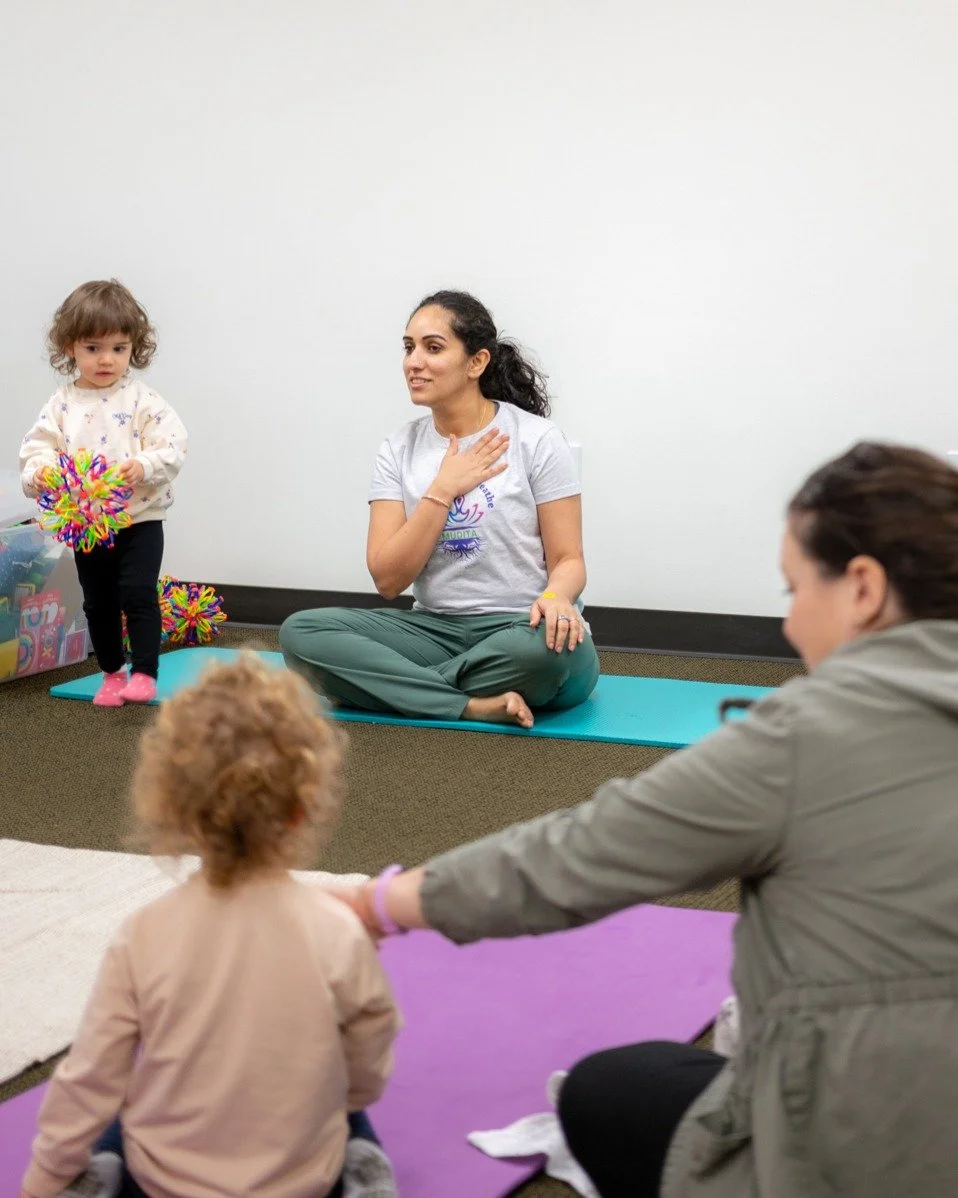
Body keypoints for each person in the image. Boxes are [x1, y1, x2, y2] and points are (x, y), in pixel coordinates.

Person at [331, 442, 958, 1198]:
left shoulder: (807, 739)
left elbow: (580, 855)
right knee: (658, 1073)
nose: (791, 625)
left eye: (796, 591)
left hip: (875, 1146)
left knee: (608, 1093)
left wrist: (378, 903)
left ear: (862, 587)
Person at [20, 655, 400, 1198]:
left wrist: (42, 1183)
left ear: (172, 807)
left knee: (119, 1108)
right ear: (303, 808)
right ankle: (361, 1170)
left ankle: (97, 1184)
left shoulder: (143, 935)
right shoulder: (337, 930)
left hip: (165, 1182)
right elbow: (370, 1050)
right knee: (351, 1113)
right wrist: (350, 1098)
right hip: (298, 1182)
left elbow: (89, 1080)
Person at [280, 290, 599, 728]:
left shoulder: (537, 439)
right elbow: (388, 580)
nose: (414, 361)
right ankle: (471, 705)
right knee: (301, 634)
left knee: (557, 650)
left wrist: (556, 596)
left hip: (520, 627)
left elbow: (569, 560)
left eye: (433, 348)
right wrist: (441, 491)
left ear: (476, 363)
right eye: (409, 348)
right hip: (434, 630)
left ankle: (394, 688)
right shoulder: (399, 448)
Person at [19, 280, 188, 706]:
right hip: (87, 527)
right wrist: (40, 473)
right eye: (93, 348)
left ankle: (145, 672)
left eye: (118, 348)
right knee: (97, 602)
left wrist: (143, 465)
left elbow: (173, 445)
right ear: (70, 347)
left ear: (134, 348)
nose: (106, 359)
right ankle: (112, 673)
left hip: (140, 520)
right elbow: (37, 447)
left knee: (138, 594)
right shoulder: (61, 403)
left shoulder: (142, 399)